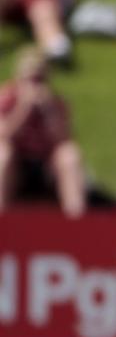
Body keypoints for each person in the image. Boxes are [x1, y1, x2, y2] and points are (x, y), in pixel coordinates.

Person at [0, 47, 87, 216]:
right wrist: (23, 108)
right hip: (17, 162)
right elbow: (4, 134)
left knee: (69, 156)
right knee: (2, 154)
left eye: (39, 79)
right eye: (30, 79)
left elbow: (63, 138)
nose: (35, 85)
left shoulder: (55, 103)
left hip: (46, 163)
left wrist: (48, 110)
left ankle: (76, 219)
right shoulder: (6, 99)